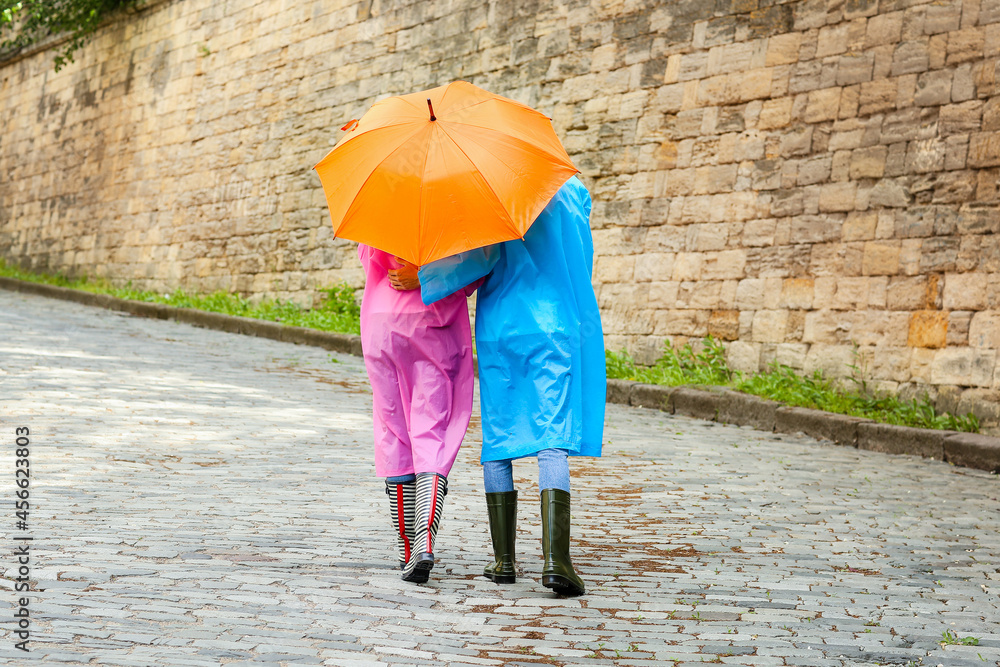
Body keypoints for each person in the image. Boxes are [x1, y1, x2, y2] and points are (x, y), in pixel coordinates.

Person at [389, 175, 604, 596]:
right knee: (552, 434)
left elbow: (480, 257)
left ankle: (504, 561)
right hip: (554, 323)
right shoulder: (576, 193)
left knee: (500, 434)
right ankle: (556, 561)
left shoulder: (494, 192)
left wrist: (425, 277)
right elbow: (580, 259)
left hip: (501, 326)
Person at [357, 244, 479, 584]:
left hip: (381, 324)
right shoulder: (454, 211)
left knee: (392, 430)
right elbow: (475, 271)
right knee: (431, 430)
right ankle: (423, 540)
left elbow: (367, 259)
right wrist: (427, 276)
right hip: (430, 324)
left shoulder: (380, 205)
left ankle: (407, 551)